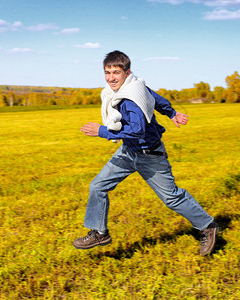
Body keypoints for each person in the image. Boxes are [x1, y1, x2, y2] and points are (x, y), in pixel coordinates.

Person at [73, 50, 219, 255]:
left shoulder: (130, 97)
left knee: (172, 198)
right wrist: (172, 112)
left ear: (127, 72)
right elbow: (155, 97)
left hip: (150, 155)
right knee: (97, 186)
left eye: (116, 72)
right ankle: (99, 232)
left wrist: (102, 131)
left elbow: (137, 130)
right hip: (128, 151)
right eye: (107, 72)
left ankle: (207, 226)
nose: (111, 78)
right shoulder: (133, 86)